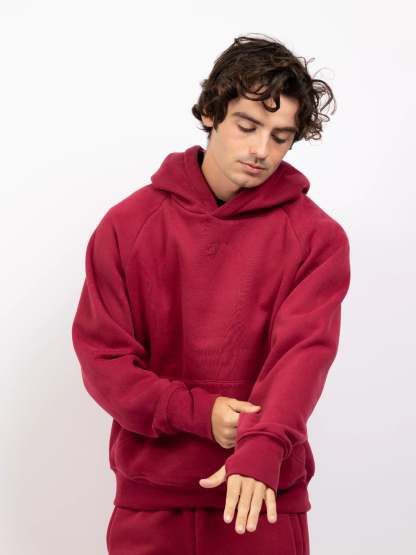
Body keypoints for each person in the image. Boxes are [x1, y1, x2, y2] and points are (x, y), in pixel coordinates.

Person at [71, 33, 351, 554]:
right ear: (210, 113)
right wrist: (199, 413)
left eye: (280, 137)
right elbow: (103, 361)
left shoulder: (316, 237)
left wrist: (263, 444)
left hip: (264, 492)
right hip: (151, 500)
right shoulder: (127, 226)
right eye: (247, 126)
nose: (261, 150)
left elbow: (304, 354)